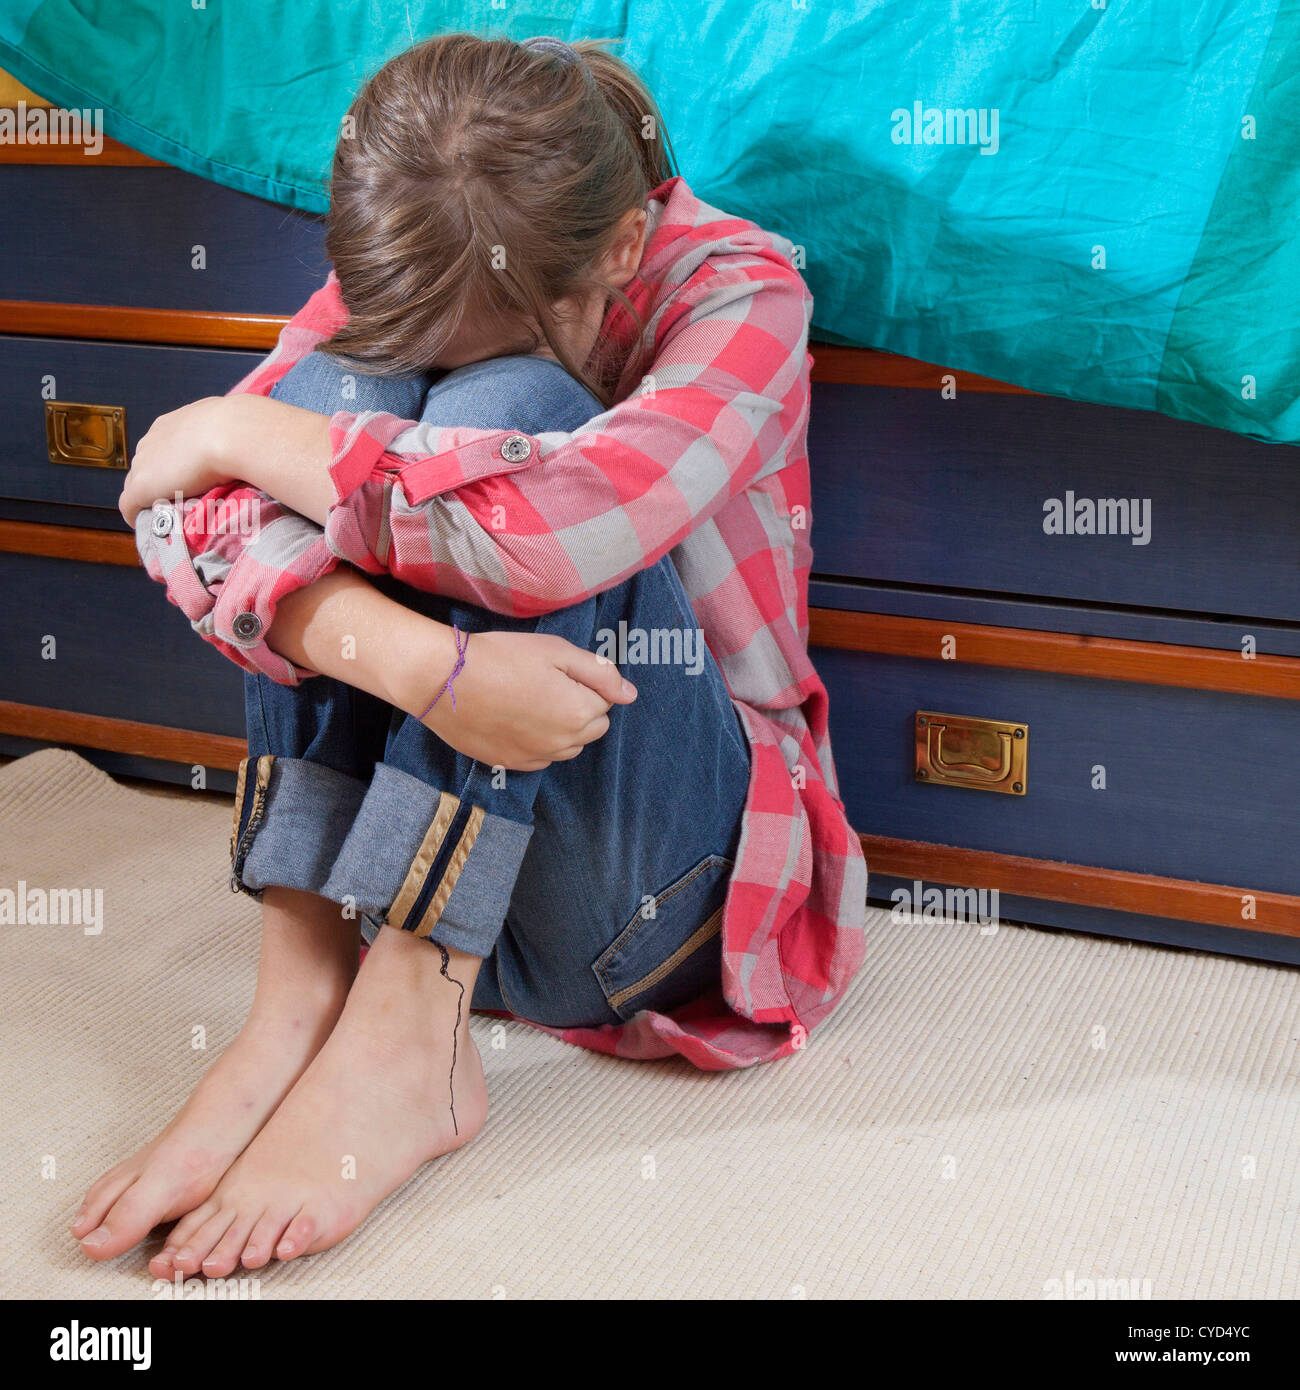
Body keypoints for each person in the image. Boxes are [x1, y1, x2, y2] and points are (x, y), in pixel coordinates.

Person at [74, 32, 866, 1276]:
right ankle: (299, 1003)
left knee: (513, 414)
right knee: (346, 389)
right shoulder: (431, 258)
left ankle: (409, 1030)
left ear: (620, 246)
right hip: (392, 873)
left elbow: (543, 534)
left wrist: (231, 427)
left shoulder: (744, 297)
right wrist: (421, 667)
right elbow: (183, 521)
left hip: (644, 902)